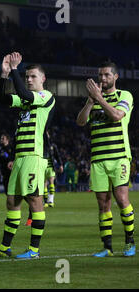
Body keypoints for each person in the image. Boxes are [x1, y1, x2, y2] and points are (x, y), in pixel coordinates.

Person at [0, 52, 55, 259]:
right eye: (27, 77)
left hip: (34, 156)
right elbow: (0, 98)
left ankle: (34, 250)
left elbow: (25, 94)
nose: (29, 79)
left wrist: (15, 69)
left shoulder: (46, 96)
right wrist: (4, 75)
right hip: (21, 156)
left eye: (33, 76)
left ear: (43, 79)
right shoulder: (25, 102)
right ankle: (4, 248)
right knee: (12, 201)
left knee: (34, 200)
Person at [76, 61, 135, 257]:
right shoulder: (94, 100)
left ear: (115, 77)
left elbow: (117, 115)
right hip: (98, 158)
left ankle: (130, 242)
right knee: (103, 204)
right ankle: (107, 247)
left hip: (119, 157)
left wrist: (99, 98)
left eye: (107, 75)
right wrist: (91, 101)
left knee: (122, 199)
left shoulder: (124, 95)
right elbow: (81, 121)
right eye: (100, 75)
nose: (103, 78)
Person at [25, 130, 63, 226]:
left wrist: (60, 164)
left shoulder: (52, 145)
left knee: (51, 182)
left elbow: (57, 155)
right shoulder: (40, 144)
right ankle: (46, 200)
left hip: (50, 166)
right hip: (42, 166)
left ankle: (51, 200)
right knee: (44, 184)